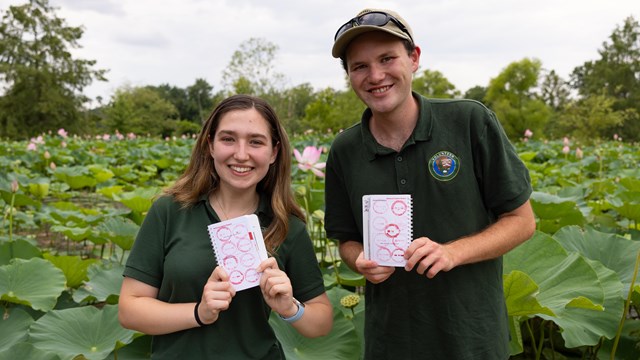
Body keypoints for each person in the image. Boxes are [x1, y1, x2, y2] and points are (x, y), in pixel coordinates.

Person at [324, 8, 536, 359]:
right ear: (349, 75)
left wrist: (452, 252)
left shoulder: (469, 121)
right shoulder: (345, 150)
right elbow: (346, 239)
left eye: (387, 58)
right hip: (389, 342)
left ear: (414, 58)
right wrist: (359, 258)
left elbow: (522, 222)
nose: (375, 75)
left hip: (472, 338)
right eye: (359, 66)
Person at [119, 94, 333, 359]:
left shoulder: (288, 226)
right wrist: (200, 312)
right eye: (228, 139)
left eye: (255, 142)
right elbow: (129, 310)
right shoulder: (170, 211)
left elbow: (321, 322)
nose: (241, 154)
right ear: (210, 145)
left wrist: (290, 307)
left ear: (274, 152)